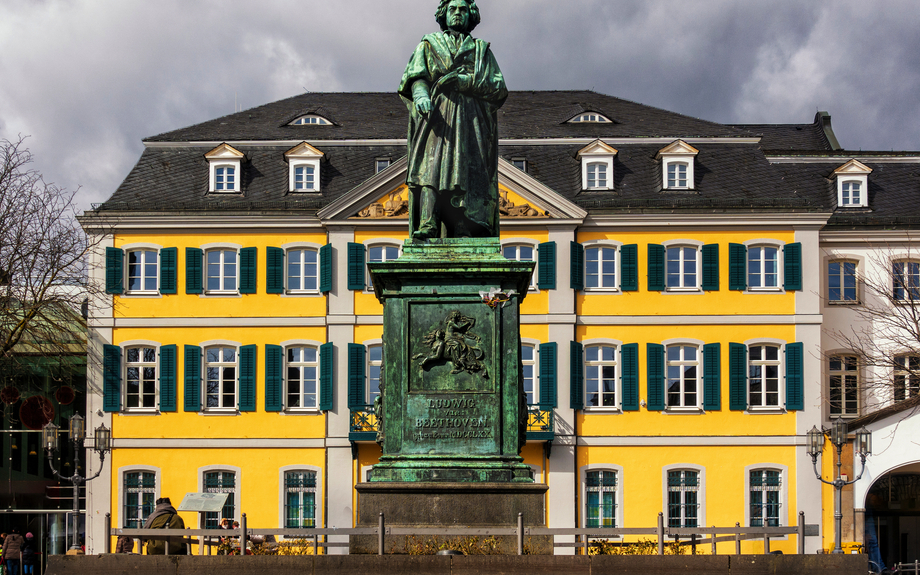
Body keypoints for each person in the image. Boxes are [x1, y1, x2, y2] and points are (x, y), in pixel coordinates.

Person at [399, 0, 507, 240]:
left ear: (471, 16)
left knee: (465, 172)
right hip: (436, 116)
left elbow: (498, 88)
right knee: (430, 169)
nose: (457, 13)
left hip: (471, 120)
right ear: (443, 14)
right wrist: (421, 96)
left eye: (462, 9)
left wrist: (465, 82)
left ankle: (463, 225)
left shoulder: (481, 50)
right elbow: (417, 77)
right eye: (452, 9)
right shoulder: (428, 44)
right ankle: (429, 222)